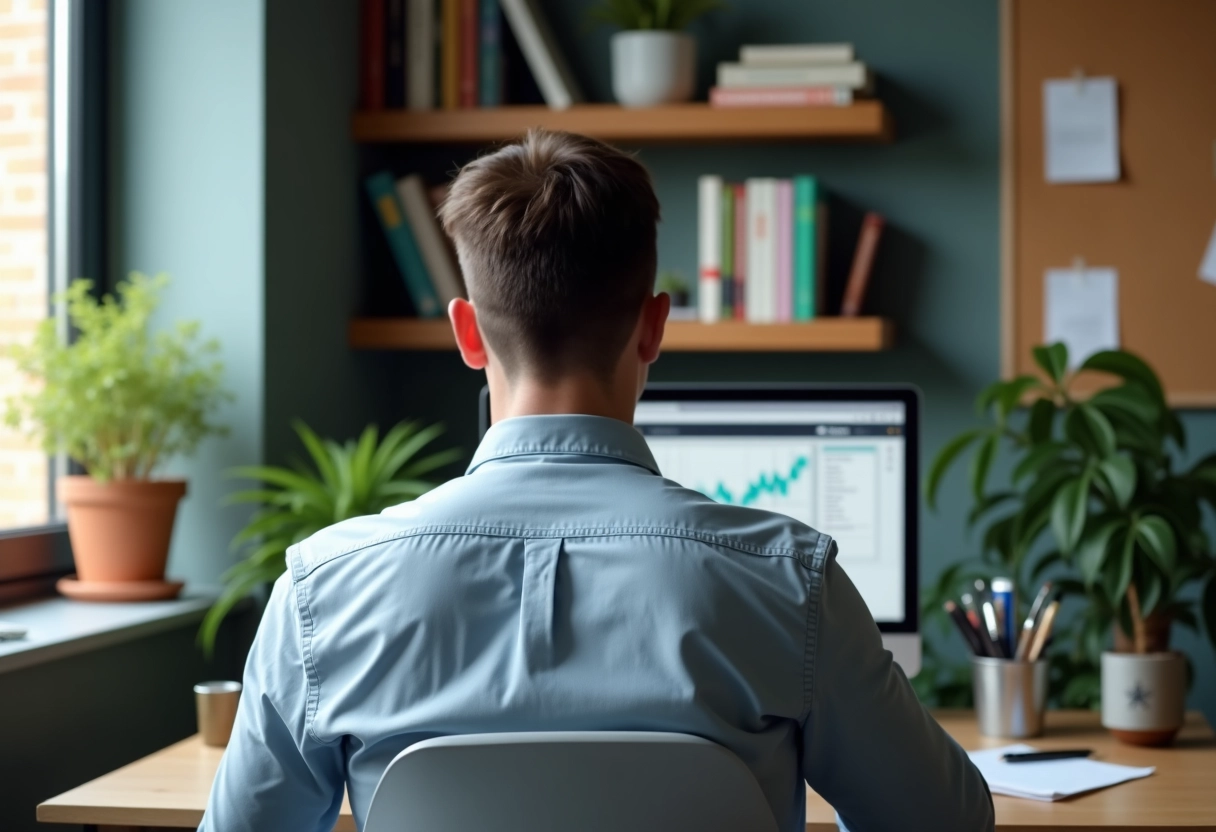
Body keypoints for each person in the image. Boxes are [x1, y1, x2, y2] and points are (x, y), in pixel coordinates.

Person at [200, 129, 993, 832]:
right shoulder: (789, 583)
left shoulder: (322, 593)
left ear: (468, 335)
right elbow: (946, 822)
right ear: (653, 326)